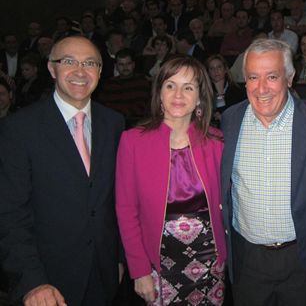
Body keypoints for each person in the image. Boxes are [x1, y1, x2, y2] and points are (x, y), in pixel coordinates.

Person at [0, 36, 125, 305]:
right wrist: (32, 281)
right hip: (47, 282)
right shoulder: (18, 129)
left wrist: (120, 258)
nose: (80, 71)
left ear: (100, 72)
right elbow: (9, 215)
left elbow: (120, 200)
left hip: (105, 277)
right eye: (69, 61)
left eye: (90, 63)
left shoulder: (115, 123)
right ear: (51, 68)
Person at [220, 39, 306, 306]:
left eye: (272, 76)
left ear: (290, 78)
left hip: (301, 258)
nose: (261, 89)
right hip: (248, 260)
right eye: (252, 77)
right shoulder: (229, 121)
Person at [115, 56, 226, 305]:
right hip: (159, 264)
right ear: (159, 93)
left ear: (199, 97)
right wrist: (139, 269)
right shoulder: (132, 141)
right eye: (170, 85)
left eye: (188, 87)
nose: (178, 94)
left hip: (210, 262)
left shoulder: (216, 141)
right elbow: (126, 211)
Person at [206, 54, 246, 126]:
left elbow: (229, 117)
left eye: (219, 67)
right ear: (208, 73)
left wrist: (221, 93)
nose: (216, 71)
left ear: (225, 70)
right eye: (212, 68)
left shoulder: (237, 90)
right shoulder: (205, 91)